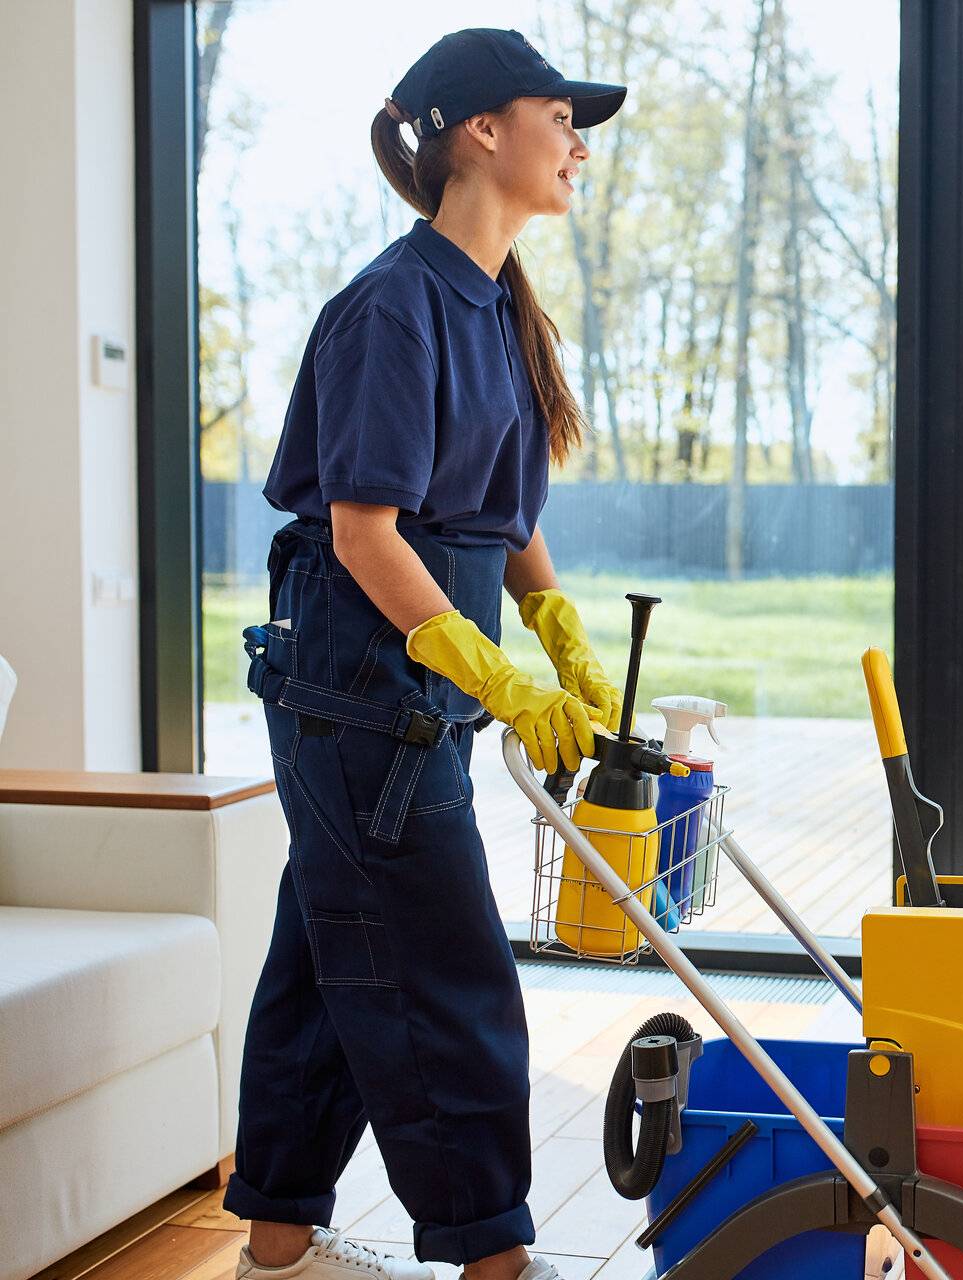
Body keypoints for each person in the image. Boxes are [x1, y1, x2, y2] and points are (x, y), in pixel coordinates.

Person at [224, 29, 631, 1279]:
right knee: (448, 970)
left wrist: (555, 628)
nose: (578, 143)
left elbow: (494, 515)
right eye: (559, 116)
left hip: (414, 680)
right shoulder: (392, 306)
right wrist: (491, 670)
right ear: (480, 131)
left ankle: (279, 1249)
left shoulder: (496, 305)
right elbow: (363, 530)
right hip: (360, 683)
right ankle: (492, 1256)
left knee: (332, 945)